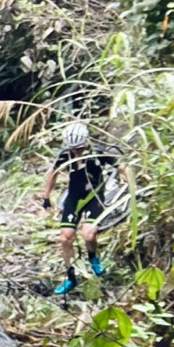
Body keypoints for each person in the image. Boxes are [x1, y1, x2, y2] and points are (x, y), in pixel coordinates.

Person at [41, 121, 121, 295]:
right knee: (65, 238)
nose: (76, 152)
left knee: (89, 234)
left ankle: (93, 257)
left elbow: (121, 166)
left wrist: (129, 185)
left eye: (79, 149)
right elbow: (52, 173)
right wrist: (46, 196)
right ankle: (70, 277)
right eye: (73, 149)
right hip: (74, 197)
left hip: (94, 196)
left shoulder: (98, 152)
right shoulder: (65, 154)